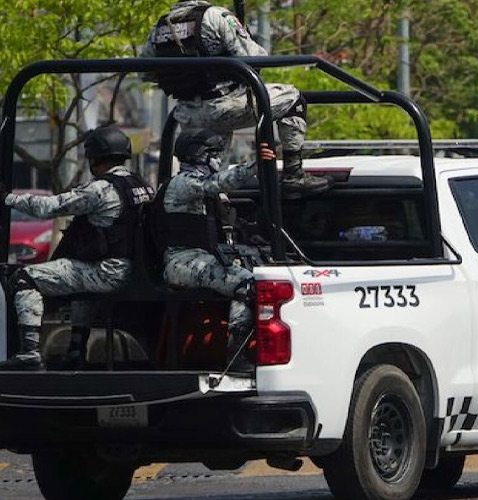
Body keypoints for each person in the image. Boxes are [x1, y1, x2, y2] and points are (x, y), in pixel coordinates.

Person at [140, 0, 331, 199]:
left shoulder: (160, 26)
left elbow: (145, 73)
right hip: (223, 107)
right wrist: (244, 35)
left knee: (211, 182)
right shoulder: (215, 16)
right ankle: (294, 173)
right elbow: (256, 58)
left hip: (188, 115)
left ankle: (215, 220)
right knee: (294, 98)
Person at [0, 126, 154, 370]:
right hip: (132, 269)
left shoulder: (102, 189)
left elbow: (50, 207)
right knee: (81, 280)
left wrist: (9, 199)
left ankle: (29, 353)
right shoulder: (141, 185)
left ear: (94, 158)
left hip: (107, 272)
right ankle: (75, 350)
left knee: (23, 277)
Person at [151, 128, 272, 371]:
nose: (219, 159)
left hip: (202, 259)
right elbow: (216, 183)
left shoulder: (201, 188)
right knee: (247, 285)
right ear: (199, 154)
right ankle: (236, 355)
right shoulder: (183, 184)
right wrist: (254, 166)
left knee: (264, 277)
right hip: (181, 263)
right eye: (214, 153)